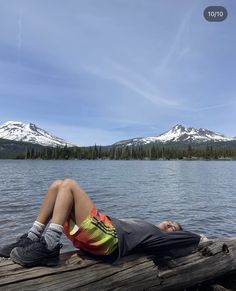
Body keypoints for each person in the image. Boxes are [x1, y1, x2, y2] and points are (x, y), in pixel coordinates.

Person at [0, 179, 200, 267]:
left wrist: (200, 238)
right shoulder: (149, 229)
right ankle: (31, 238)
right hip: (96, 234)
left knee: (68, 185)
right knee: (57, 186)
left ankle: (49, 246)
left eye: (174, 228)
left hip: (108, 239)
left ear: (173, 234)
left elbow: (192, 237)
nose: (171, 224)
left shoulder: (158, 238)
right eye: (171, 222)